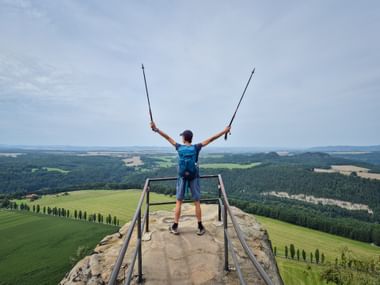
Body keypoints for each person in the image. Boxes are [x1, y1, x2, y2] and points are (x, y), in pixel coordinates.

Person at [150, 121, 231, 235]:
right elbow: (212, 138)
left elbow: (167, 137)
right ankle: (199, 226)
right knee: (197, 202)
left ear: (184, 138)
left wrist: (156, 129)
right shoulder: (196, 147)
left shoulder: (179, 147)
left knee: (179, 201)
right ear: (191, 138)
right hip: (194, 176)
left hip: (182, 177)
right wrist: (224, 131)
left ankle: (175, 225)